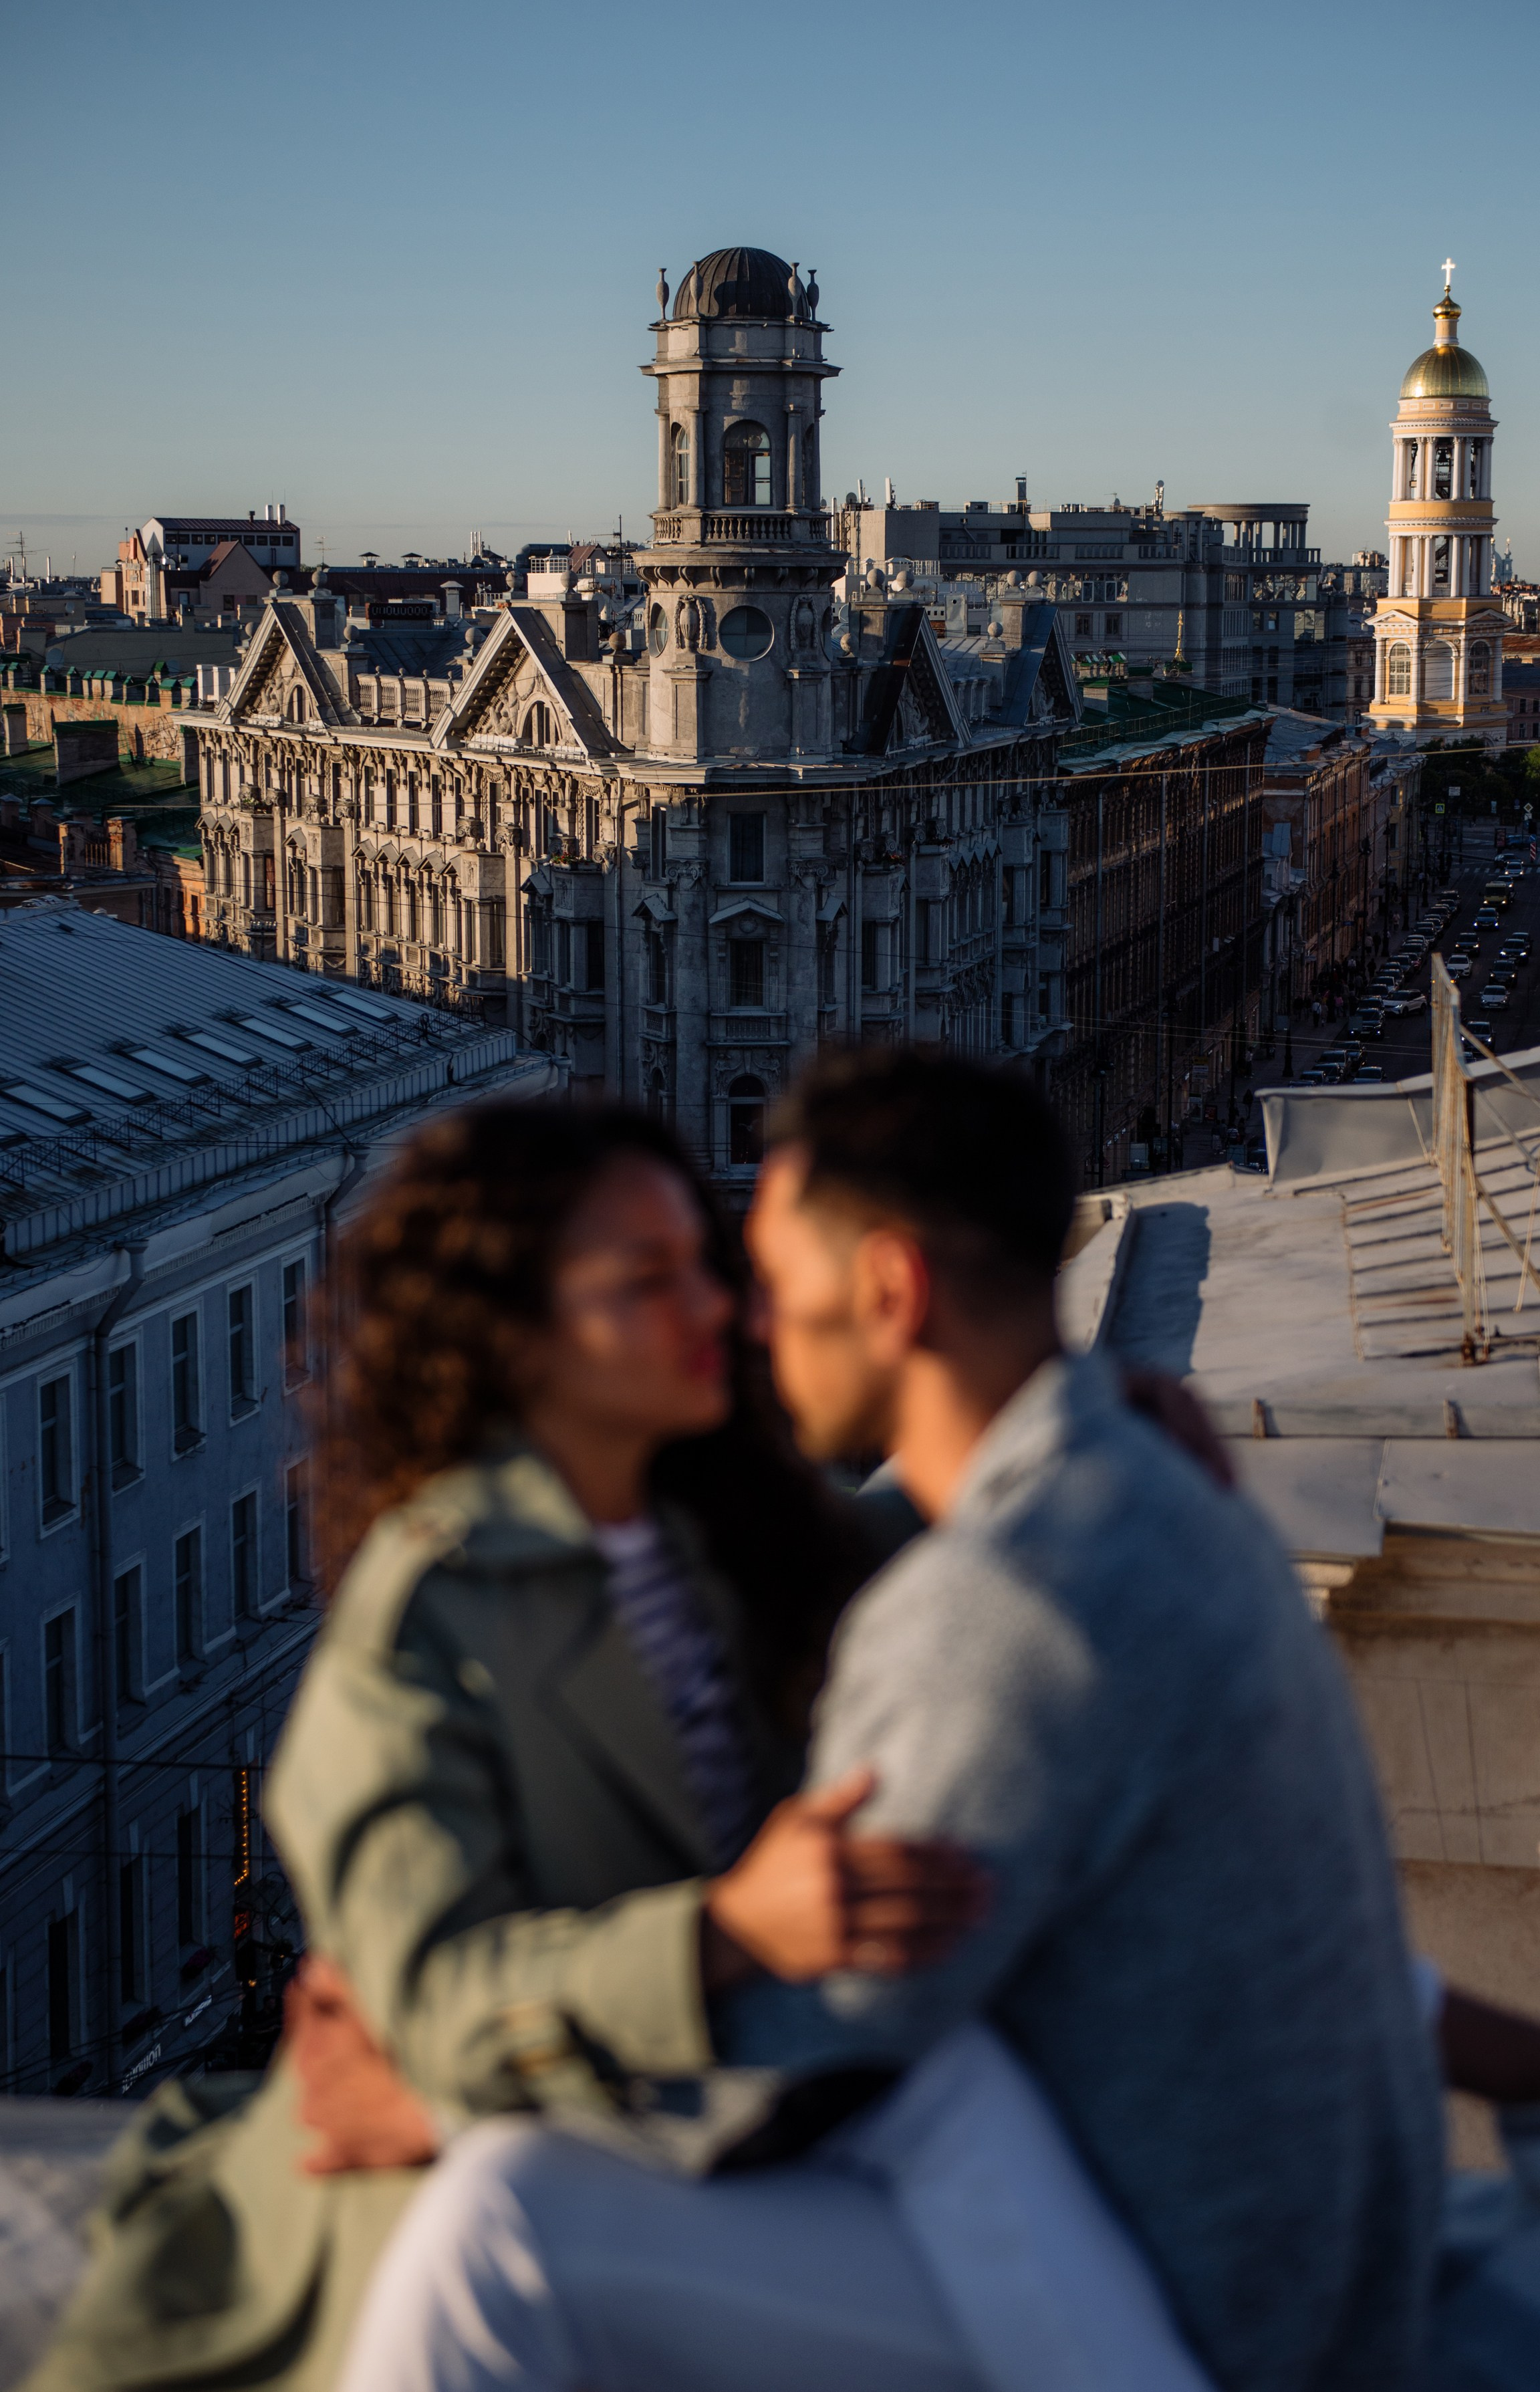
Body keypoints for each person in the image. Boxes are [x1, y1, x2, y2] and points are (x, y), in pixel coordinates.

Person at [336, 1050, 1449, 2392]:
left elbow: (814, 2052)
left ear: (888, 1289)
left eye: (771, 1281)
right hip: (1258, 2247)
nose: (749, 1323)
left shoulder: (1003, 1602)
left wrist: (446, 2088)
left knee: (500, 2229)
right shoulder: (1122, 1498)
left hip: (1188, 2304)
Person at [27, 1103, 983, 2392]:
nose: (715, 1306)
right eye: (649, 1281)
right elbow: (432, 2004)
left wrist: (1083, 1431)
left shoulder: (718, 1519)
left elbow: (956, 1541)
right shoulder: (435, 1602)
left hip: (701, 2163)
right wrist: (729, 1931)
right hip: (459, 2267)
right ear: (521, 1338)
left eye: (703, 1262)